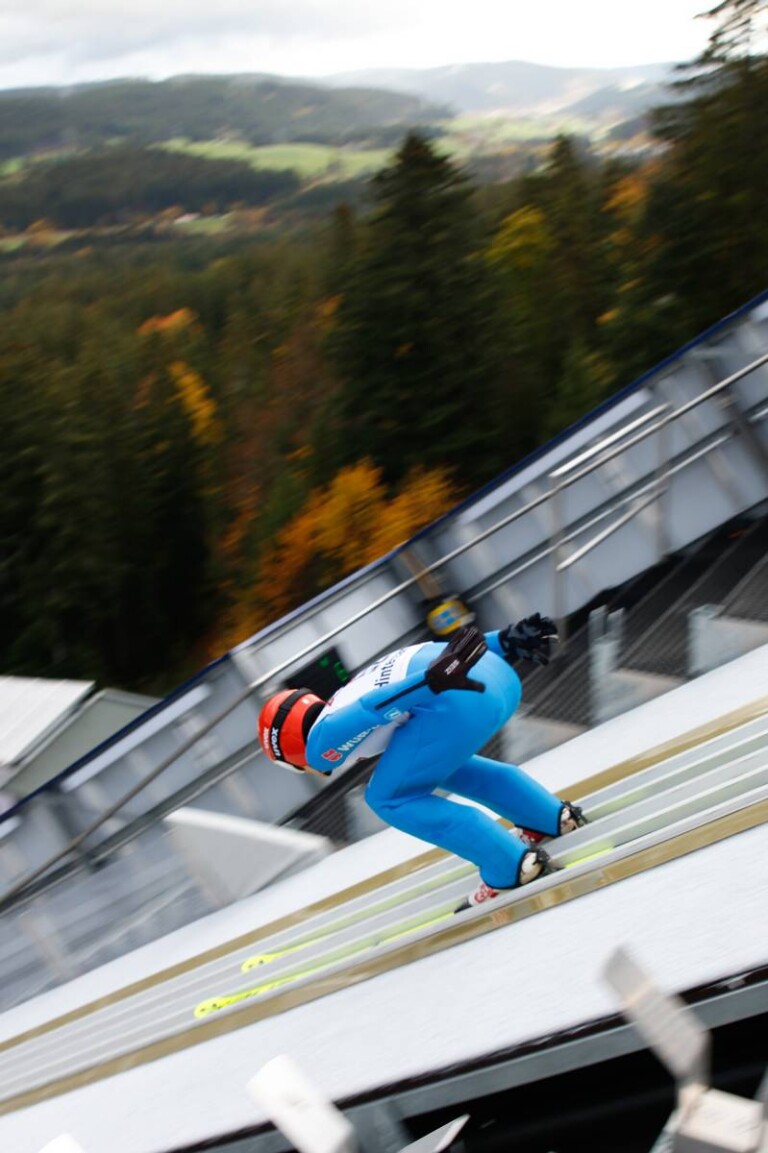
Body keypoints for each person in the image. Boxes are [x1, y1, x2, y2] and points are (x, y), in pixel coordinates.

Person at [258, 617, 586, 909]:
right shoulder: (349, 689)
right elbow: (448, 653)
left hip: (454, 699)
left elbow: (372, 708)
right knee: (437, 772)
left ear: (290, 752)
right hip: (500, 679)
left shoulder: (318, 745)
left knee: (386, 797)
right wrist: (505, 639)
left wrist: (430, 682)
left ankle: (509, 865)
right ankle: (547, 817)